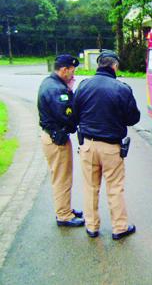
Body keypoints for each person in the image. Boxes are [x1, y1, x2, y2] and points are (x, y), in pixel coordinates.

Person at [73, 50, 140, 240]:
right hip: (111, 147)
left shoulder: (84, 85)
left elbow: (75, 114)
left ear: (98, 65)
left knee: (90, 187)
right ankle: (119, 227)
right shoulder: (122, 89)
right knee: (115, 188)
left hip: (87, 145)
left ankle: (92, 226)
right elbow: (133, 118)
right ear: (114, 66)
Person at [37, 54, 84, 227]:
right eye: (72, 71)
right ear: (64, 70)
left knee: (62, 175)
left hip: (53, 136)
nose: (73, 75)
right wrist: (71, 94)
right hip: (57, 139)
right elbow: (67, 116)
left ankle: (66, 209)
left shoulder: (50, 83)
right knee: (62, 177)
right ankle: (64, 215)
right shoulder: (58, 89)